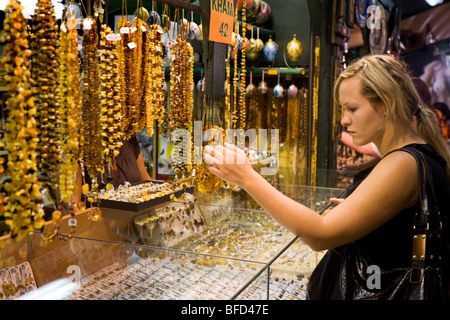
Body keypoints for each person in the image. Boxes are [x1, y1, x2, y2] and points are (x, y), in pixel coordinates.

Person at [204, 54, 450, 299]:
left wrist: (247, 177)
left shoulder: (403, 163)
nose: (344, 120)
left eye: (352, 109)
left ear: (386, 104)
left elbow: (320, 235)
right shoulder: (416, 152)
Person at [72, 134, 152, 213]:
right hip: (100, 220)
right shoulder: (83, 146)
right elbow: (74, 204)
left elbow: (145, 179)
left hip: (133, 218)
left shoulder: (129, 139)